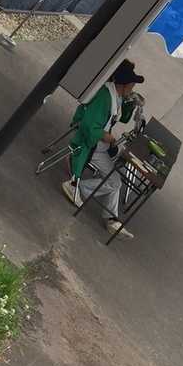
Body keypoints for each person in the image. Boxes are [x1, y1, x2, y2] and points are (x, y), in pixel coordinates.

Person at [62, 59, 144, 238]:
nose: (133, 87)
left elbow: (122, 119)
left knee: (115, 180)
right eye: (132, 84)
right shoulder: (105, 97)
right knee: (115, 181)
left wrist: (132, 105)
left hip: (98, 145)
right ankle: (77, 187)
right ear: (124, 83)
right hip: (90, 143)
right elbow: (89, 126)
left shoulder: (116, 95)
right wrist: (108, 137)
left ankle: (111, 219)